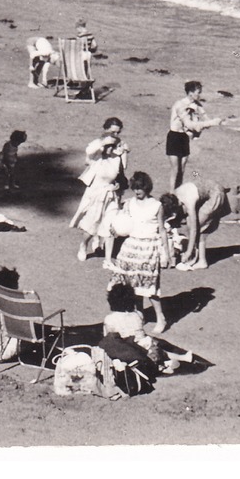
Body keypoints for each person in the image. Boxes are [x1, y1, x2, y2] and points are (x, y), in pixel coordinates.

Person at [108, 172, 168, 334]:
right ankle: (139, 313)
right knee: (131, 282)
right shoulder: (129, 203)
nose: (137, 191)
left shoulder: (157, 205)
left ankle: (160, 317)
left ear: (146, 187)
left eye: (140, 188)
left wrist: (166, 254)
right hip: (131, 246)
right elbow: (122, 222)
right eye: (134, 188)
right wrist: (115, 229)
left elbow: (162, 230)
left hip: (149, 247)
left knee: (149, 285)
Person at [72, 118, 129, 262]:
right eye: (112, 132)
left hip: (111, 193)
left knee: (109, 221)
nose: (115, 135)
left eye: (118, 132)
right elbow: (89, 151)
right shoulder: (97, 153)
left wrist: (123, 153)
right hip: (96, 192)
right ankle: (84, 245)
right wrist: (104, 142)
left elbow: (122, 170)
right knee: (93, 222)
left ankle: (107, 257)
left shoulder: (117, 155)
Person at [163, 177, 231, 270]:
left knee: (196, 224)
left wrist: (188, 252)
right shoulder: (175, 195)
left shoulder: (188, 201)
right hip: (209, 190)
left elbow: (194, 229)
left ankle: (200, 259)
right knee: (195, 223)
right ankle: (199, 257)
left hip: (216, 194)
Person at [166, 81, 222, 190]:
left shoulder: (197, 105)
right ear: (190, 93)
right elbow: (190, 125)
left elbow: (206, 119)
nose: (200, 95)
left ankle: (178, 193)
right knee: (175, 169)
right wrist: (211, 123)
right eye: (198, 92)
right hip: (174, 137)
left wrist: (216, 121)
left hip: (184, 138)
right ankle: (172, 194)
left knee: (182, 168)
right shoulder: (180, 105)